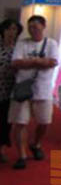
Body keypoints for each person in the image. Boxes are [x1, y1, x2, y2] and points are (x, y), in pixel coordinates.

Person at [9, 15, 58, 170]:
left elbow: (52, 62)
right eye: (30, 27)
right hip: (22, 89)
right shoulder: (22, 44)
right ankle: (22, 156)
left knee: (44, 122)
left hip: (43, 89)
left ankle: (36, 144)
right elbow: (16, 63)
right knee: (20, 122)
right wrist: (38, 61)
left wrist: (29, 62)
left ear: (43, 26)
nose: (32, 30)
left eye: (35, 27)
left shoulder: (51, 43)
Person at [0, 19, 23, 163]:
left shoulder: (19, 49)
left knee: (4, 122)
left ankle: (1, 150)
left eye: (14, 29)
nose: (11, 32)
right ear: (2, 31)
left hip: (9, 92)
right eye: (8, 29)